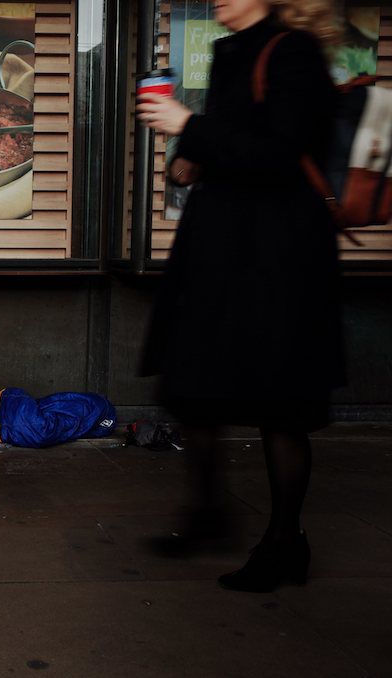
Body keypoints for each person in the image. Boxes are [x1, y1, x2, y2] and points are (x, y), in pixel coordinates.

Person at [137, 0, 343, 593]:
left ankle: (285, 542)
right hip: (220, 251)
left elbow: (280, 152)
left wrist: (188, 126)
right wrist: (189, 158)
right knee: (190, 382)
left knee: (282, 402)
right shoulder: (232, 53)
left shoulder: (293, 52)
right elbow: (234, 141)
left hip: (277, 257)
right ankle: (207, 515)